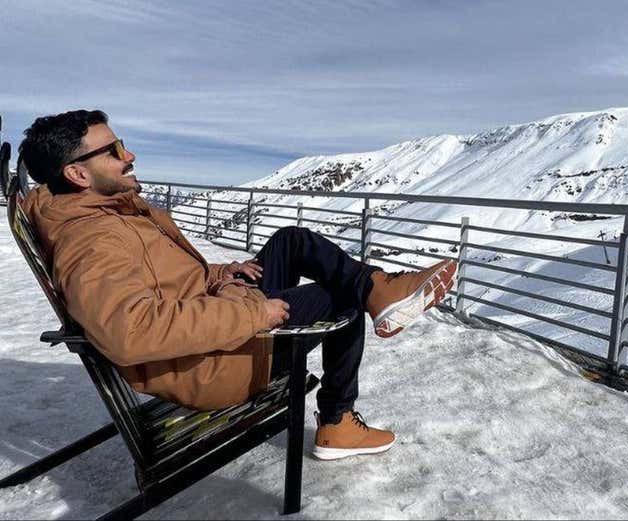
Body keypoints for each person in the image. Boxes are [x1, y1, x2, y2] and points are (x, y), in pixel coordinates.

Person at [18, 109, 456, 461]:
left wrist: (218, 274)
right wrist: (252, 312)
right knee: (340, 296)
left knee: (292, 240)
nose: (129, 155)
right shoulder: (92, 239)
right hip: (217, 365)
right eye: (114, 149)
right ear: (77, 174)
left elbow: (162, 279)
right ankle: (338, 420)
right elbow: (131, 331)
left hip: (216, 330)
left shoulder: (108, 214)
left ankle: (380, 291)